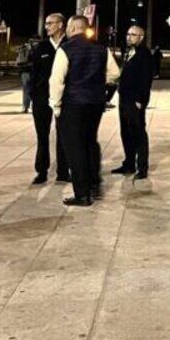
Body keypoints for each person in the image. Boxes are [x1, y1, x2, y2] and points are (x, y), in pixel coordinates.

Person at [49, 15, 120, 206]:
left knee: (75, 148)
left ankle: (82, 194)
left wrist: (56, 106)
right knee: (90, 142)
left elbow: (57, 81)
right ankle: (94, 184)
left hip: (73, 104)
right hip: (95, 103)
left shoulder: (65, 49)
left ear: (71, 28)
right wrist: (96, 82)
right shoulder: (101, 48)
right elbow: (115, 74)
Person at [29, 16, 69, 185]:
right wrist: (33, 94)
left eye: (50, 23)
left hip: (64, 97)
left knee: (64, 135)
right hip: (42, 98)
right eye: (45, 23)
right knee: (42, 135)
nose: (46, 27)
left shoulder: (69, 45)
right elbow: (34, 72)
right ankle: (41, 171)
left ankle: (63, 171)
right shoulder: (41, 47)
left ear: (60, 25)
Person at [113, 25, 155, 179]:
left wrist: (140, 101)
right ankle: (129, 163)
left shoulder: (145, 55)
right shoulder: (127, 52)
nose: (129, 37)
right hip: (123, 98)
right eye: (128, 34)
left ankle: (142, 167)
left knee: (138, 134)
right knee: (125, 132)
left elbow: (146, 80)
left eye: (133, 34)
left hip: (134, 101)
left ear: (141, 37)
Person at [16, 35, 39, 113]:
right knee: (35, 89)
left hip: (24, 71)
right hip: (32, 71)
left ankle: (25, 106)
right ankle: (34, 106)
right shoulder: (37, 47)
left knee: (26, 89)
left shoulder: (24, 47)